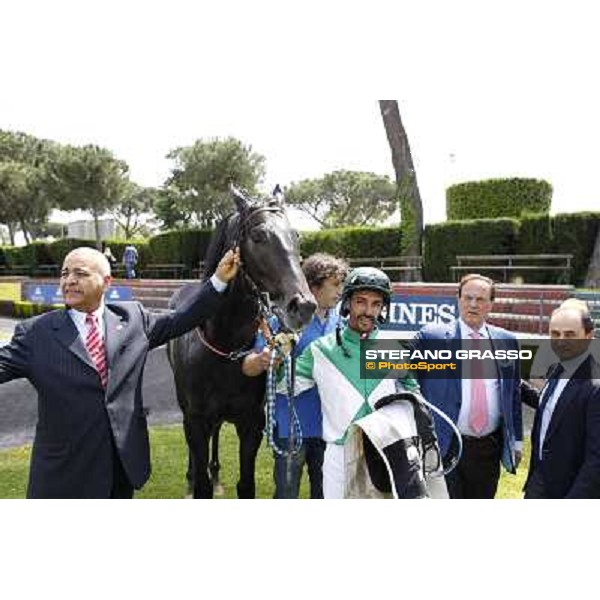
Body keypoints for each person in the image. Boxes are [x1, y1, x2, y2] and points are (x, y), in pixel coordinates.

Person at [0, 246, 240, 498]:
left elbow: (185, 317)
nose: (69, 280)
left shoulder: (134, 319)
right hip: (63, 474)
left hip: (121, 469)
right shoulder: (35, 334)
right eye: (64, 273)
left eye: (80, 273)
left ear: (106, 282)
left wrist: (219, 280)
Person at [286, 267, 440, 499]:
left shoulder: (394, 350)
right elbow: (284, 386)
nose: (368, 311)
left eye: (376, 304)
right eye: (361, 302)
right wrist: (277, 357)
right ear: (347, 303)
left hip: (386, 453)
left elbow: (413, 397)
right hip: (339, 454)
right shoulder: (319, 350)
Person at [242, 253, 348, 499]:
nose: (340, 291)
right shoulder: (283, 320)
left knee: (326, 496)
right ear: (313, 287)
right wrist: (262, 360)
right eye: (335, 285)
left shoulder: (340, 322)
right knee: (287, 496)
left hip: (330, 429)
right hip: (291, 429)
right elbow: (248, 366)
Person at [414, 273, 523, 499]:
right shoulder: (431, 337)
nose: (473, 304)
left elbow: (512, 393)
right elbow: (401, 372)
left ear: (491, 304)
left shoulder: (506, 341)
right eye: (468, 297)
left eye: (481, 299)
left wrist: (518, 439)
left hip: (488, 449)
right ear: (458, 299)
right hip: (446, 443)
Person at [523, 302, 600, 498]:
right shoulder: (558, 367)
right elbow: (555, 407)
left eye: (570, 334)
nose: (561, 341)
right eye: (555, 334)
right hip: (539, 481)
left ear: (589, 336)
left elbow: (596, 459)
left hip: (571, 491)